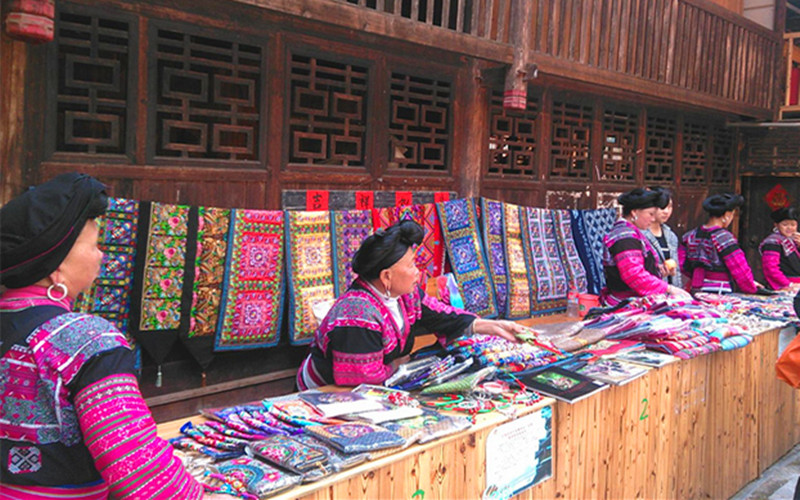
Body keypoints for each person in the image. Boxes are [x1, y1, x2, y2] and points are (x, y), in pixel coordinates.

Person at [0, 173, 212, 499]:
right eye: (95, 245)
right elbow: (140, 471)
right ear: (56, 266)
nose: (102, 256)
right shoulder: (85, 340)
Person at [297, 219, 523, 389]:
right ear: (386, 276)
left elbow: (442, 315)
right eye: (412, 265)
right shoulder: (357, 315)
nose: (418, 272)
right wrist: (404, 364)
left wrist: (492, 326)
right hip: (326, 393)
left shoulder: (406, 295)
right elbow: (362, 380)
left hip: (380, 380)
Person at [600, 187, 691, 306]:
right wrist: (669, 289)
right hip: (626, 304)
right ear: (634, 212)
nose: (653, 219)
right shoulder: (625, 237)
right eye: (650, 214)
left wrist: (658, 270)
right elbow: (634, 275)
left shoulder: (631, 233)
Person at [680, 192, 759, 294]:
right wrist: (751, 287)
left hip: (696, 289)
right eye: (732, 215)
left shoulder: (690, 235)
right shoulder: (724, 238)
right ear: (727, 215)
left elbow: (682, 264)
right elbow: (739, 268)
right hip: (720, 291)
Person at [643, 186, 683, 289]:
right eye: (662, 207)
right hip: (649, 292)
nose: (666, 211)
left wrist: (679, 293)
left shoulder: (671, 236)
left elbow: (676, 270)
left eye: (670, 207)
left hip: (669, 293)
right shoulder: (640, 234)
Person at [759, 207, 800, 290]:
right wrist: (788, 284)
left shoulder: (794, 241)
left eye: (793, 225)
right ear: (776, 225)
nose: (789, 228)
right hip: (785, 286)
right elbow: (771, 268)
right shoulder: (772, 242)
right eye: (785, 224)